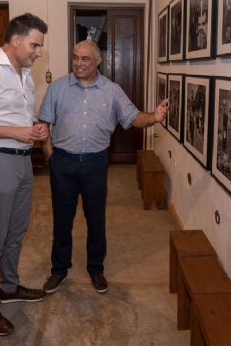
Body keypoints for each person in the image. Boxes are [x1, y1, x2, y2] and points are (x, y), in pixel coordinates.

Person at [38, 39, 169, 295]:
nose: (78, 63)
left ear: (98, 61)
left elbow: (133, 118)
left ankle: (96, 268)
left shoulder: (112, 90)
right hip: (62, 162)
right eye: (75, 57)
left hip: (95, 164)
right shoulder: (58, 88)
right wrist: (51, 158)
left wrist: (154, 117)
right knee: (62, 219)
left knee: (95, 219)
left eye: (85, 59)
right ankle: (59, 269)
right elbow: (43, 125)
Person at [0, 14, 49, 336]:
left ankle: (9, 286)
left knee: (17, 232)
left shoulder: (26, 73)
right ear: (15, 40)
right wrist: (14, 132)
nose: (38, 51)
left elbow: (17, 113)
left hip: (23, 160)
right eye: (35, 44)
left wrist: (34, 127)